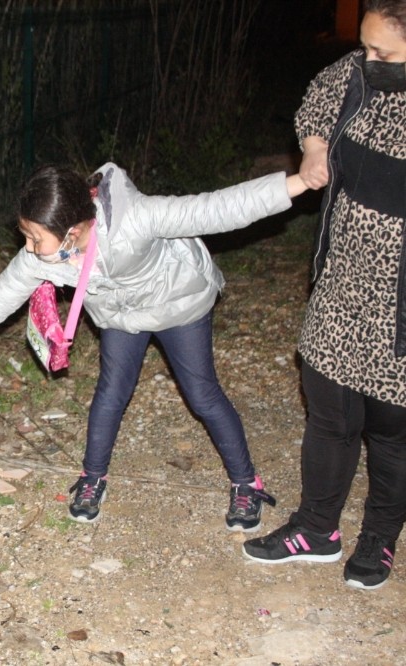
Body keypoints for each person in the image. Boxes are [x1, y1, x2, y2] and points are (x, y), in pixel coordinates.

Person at [0, 162, 308, 531]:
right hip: (121, 316)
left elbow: (220, 207)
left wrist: (299, 182)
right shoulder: (45, 255)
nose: (28, 247)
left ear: (72, 230)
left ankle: (246, 483)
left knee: (202, 394)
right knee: (111, 392)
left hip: (178, 303)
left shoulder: (137, 218)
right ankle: (93, 477)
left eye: (34, 238)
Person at [243, 0, 406, 591]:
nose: (366, 59)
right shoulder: (358, 73)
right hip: (342, 283)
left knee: (392, 429)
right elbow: (319, 92)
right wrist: (314, 147)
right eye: (365, 46)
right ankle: (316, 529)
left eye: (382, 52)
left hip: (402, 306)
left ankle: (380, 538)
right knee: (330, 412)